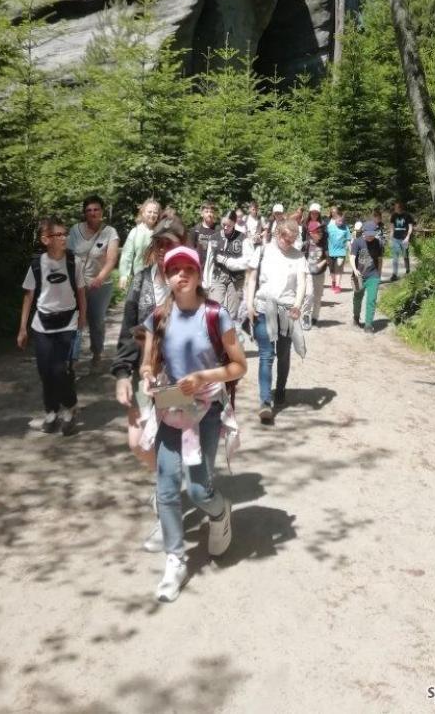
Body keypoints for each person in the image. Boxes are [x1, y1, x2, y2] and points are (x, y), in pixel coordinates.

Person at [139, 245, 247, 603]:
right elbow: (149, 362)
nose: (180, 275)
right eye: (174, 270)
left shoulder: (216, 315)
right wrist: (146, 378)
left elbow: (238, 366)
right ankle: (175, 559)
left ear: (199, 275)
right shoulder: (159, 316)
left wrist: (203, 376)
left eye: (188, 269)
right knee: (167, 487)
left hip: (207, 409)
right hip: (171, 406)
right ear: (166, 277)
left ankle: (220, 511)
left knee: (198, 489)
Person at [112, 218, 186, 551]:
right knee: (138, 443)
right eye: (159, 244)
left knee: (168, 449)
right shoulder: (141, 283)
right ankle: (167, 484)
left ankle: (166, 512)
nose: (163, 250)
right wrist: (122, 373)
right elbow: (129, 328)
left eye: (171, 244)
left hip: (178, 379)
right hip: (144, 375)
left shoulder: (189, 283)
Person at [18, 216, 87, 437]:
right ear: (45, 239)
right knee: (45, 371)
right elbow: (28, 296)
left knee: (60, 370)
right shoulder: (37, 265)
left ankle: (70, 408)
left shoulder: (73, 262)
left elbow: (81, 293)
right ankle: (51, 411)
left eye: (65, 233)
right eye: (59, 235)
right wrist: (22, 328)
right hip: (42, 324)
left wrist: (82, 319)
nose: (64, 238)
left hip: (67, 322)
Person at [247, 219, 308, 424]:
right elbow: (252, 279)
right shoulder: (263, 251)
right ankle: (265, 402)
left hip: (287, 310)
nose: (287, 243)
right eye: (285, 238)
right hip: (264, 307)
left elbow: (301, 283)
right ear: (277, 234)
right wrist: (249, 305)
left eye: (292, 240)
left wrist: (298, 305)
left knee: (283, 353)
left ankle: (280, 388)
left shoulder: (298, 256)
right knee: (266, 354)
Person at [67, 194, 119, 371]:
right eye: (89, 210)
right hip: (77, 284)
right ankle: (72, 359)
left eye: (96, 209)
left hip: (100, 286)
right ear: (84, 213)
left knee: (96, 321)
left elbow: (111, 260)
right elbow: (67, 255)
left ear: (102, 211)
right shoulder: (75, 230)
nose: (93, 213)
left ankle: (96, 353)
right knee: (76, 321)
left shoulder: (110, 232)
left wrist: (99, 278)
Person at [209, 210, 247, 323]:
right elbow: (209, 259)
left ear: (235, 223)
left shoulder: (242, 238)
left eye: (228, 225)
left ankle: (229, 335)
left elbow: (246, 261)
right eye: (223, 225)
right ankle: (215, 334)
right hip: (218, 275)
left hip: (236, 279)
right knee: (214, 309)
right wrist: (206, 280)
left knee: (232, 314)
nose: (225, 227)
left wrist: (228, 261)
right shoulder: (214, 237)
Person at [349, 217, 383, 333]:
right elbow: (352, 257)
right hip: (359, 276)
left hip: (373, 275)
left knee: (371, 299)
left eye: (372, 235)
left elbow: (379, 259)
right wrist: (354, 270)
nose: (370, 237)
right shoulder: (357, 242)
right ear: (363, 232)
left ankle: (368, 324)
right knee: (357, 298)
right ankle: (356, 317)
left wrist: (379, 274)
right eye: (368, 234)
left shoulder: (378, 243)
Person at [119, 199, 161, 290]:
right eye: (149, 211)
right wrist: (124, 275)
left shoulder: (161, 233)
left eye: (155, 212)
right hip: (139, 278)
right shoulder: (135, 232)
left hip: (158, 280)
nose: (152, 215)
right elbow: (127, 254)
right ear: (143, 212)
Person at [303, 209, 328, 328]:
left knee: (318, 296)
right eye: (318, 232)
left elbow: (328, 258)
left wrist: (321, 264)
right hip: (308, 273)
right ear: (312, 232)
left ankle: (315, 317)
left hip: (320, 273)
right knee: (308, 295)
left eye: (321, 232)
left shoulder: (323, 243)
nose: (321, 234)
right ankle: (305, 317)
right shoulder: (306, 245)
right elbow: (300, 258)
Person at [188, 201, 220, 285]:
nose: (209, 214)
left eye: (211, 212)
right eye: (207, 211)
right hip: (199, 268)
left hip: (214, 268)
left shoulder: (219, 230)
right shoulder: (195, 230)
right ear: (202, 214)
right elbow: (190, 251)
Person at [326, 207, 351, 293]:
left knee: (338, 269)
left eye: (342, 221)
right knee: (332, 270)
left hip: (341, 252)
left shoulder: (345, 228)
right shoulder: (329, 227)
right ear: (335, 219)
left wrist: (349, 249)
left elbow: (348, 239)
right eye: (339, 221)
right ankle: (333, 281)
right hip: (331, 252)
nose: (340, 222)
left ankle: (338, 286)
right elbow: (325, 238)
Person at [389, 201, 415, 281]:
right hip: (395, 239)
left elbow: (410, 227)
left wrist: (408, 237)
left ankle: (407, 271)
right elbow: (392, 228)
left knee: (405, 256)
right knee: (395, 257)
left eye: (397, 207)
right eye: (395, 207)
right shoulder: (394, 215)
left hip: (404, 238)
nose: (396, 209)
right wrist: (390, 239)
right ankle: (394, 274)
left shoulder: (407, 216)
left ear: (400, 207)